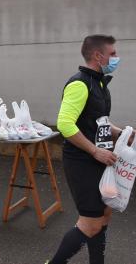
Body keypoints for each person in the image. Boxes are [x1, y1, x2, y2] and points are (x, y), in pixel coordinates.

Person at [47, 35, 133, 264]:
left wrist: (124, 133)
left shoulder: (100, 83)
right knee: (91, 223)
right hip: (82, 163)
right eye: (113, 53)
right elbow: (65, 124)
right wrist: (95, 151)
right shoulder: (79, 84)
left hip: (100, 162)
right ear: (98, 55)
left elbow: (100, 120)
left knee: (104, 215)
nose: (116, 57)